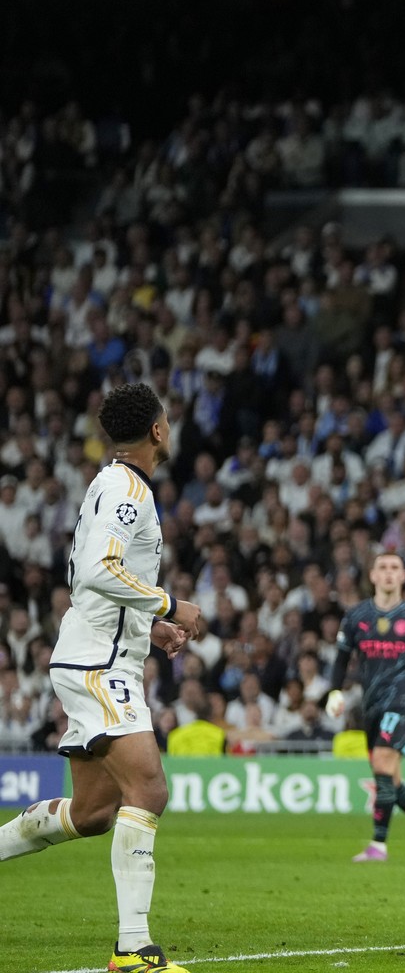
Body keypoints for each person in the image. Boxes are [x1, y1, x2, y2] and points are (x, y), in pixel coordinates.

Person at [0, 382, 206, 973]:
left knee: (91, 814)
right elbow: (97, 571)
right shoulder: (125, 488)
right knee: (149, 790)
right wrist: (169, 605)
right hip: (98, 663)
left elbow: (105, 581)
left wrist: (150, 625)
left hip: (98, 655)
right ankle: (133, 948)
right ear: (158, 432)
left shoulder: (116, 483)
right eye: (168, 421)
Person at [324, 550, 405, 863]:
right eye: (381, 567)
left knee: (383, 761)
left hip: (403, 699)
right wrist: (333, 692)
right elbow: (342, 658)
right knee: (390, 781)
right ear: (372, 576)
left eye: (394, 567)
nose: (388, 573)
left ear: (403, 576)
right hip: (371, 704)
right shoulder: (356, 616)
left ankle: (378, 845)